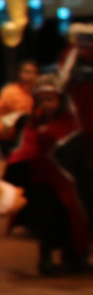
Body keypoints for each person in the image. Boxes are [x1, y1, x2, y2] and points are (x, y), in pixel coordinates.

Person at [5, 77, 90, 275]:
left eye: (50, 99)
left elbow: (77, 155)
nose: (46, 104)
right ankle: (46, 259)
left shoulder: (71, 124)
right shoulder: (32, 124)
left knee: (73, 224)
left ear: (60, 100)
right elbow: (23, 150)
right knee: (47, 225)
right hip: (43, 186)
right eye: (42, 100)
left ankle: (74, 258)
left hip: (69, 188)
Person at [0, 60, 39, 144]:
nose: (31, 75)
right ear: (19, 73)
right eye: (27, 72)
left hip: (29, 136)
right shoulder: (10, 91)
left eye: (34, 73)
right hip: (8, 136)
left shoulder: (37, 93)